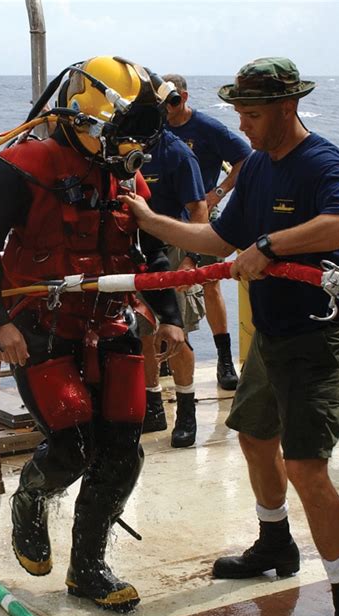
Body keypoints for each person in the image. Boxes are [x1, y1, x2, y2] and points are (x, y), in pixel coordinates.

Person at [120, 57, 339, 616]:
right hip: (271, 337)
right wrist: (150, 220)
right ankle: (276, 544)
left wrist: (271, 246)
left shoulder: (322, 163)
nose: (242, 127)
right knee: (253, 436)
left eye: (251, 114)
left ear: (286, 108)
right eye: (239, 113)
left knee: (306, 465)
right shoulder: (256, 173)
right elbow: (218, 242)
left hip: (319, 338)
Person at [0, 56, 185, 612]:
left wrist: (170, 313)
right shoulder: (23, 165)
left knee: (124, 452)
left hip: (112, 322)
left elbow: (150, 249)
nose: (128, 146)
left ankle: (88, 569)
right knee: (71, 444)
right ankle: (31, 502)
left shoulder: (123, 169)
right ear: (86, 117)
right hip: (38, 327)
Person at [163, 73, 252, 390]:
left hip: (202, 212)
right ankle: (169, 353)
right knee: (163, 282)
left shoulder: (206, 128)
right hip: (166, 215)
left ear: (184, 97)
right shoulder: (158, 127)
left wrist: (220, 191)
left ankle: (224, 359)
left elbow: (246, 158)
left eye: (173, 101)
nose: (168, 108)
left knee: (211, 283)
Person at [140, 126, 208, 447]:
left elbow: (199, 210)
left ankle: (186, 410)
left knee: (176, 335)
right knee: (142, 332)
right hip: (135, 252)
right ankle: (152, 406)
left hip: (172, 249)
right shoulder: (119, 148)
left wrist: (191, 258)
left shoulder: (177, 154)